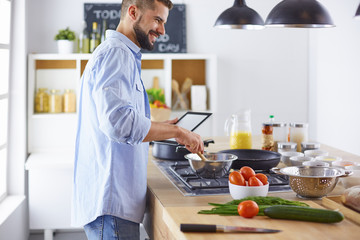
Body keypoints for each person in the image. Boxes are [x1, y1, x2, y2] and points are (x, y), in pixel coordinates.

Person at [71, 0, 204, 239]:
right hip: (112, 206)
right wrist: (177, 133)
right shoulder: (116, 54)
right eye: (158, 20)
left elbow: (122, 118)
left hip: (113, 205)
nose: (162, 30)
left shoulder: (121, 54)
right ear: (133, 12)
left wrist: (164, 128)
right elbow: (118, 123)